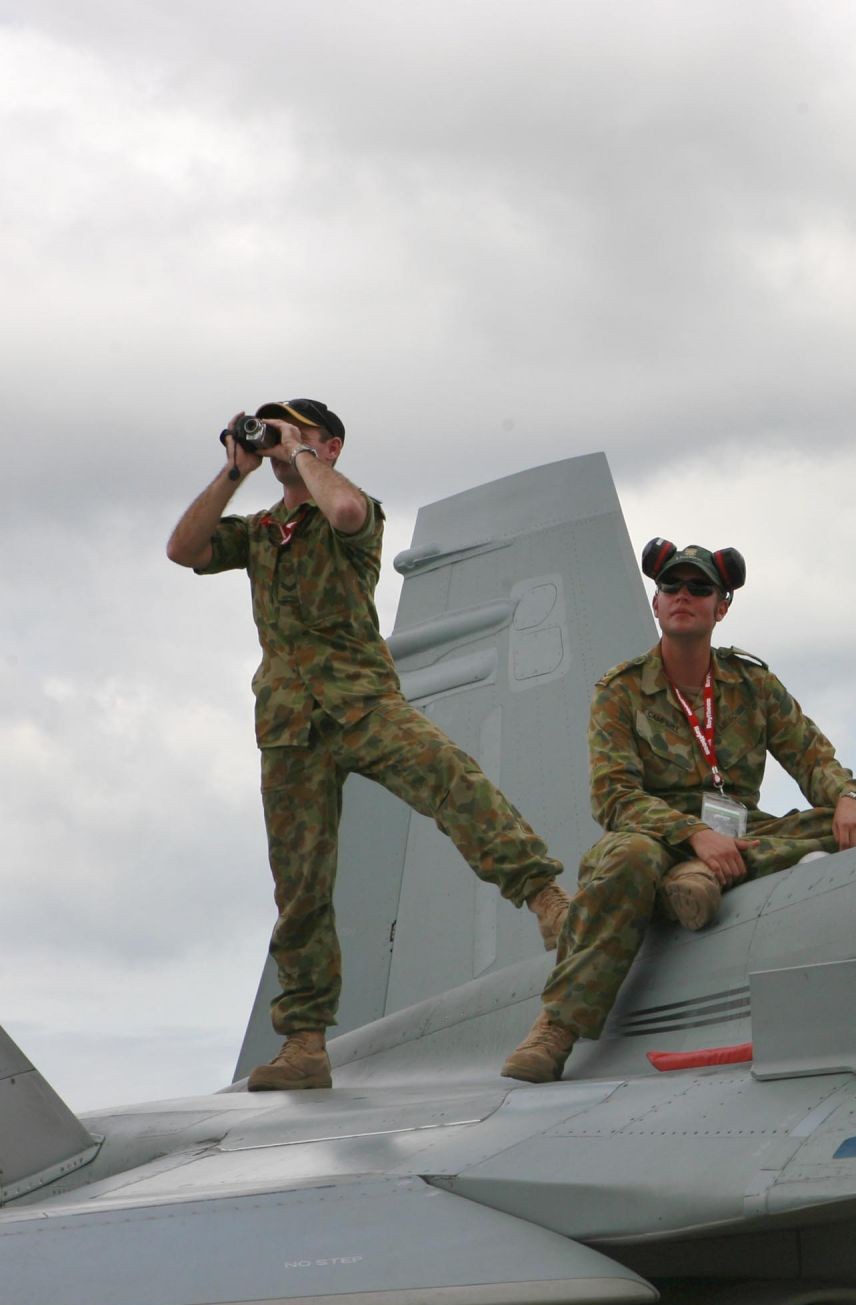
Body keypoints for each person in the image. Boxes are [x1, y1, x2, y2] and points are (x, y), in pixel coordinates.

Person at [166, 400, 572, 1090]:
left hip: (360, 701)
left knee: (451, 780)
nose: (276, 439)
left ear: (332, 444)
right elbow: (185, 548)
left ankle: (548, 902)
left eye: (291, 427)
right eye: (270, 429)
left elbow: (348, 515)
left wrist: (300, 456)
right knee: (300, 885)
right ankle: (304, 1044)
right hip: (290, 723)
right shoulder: (263, 531)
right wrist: (233, 470)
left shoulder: (350, 508)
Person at [502, 540, 856, 1082]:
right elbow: (613, 797)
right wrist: (692, 836)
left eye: (699, 588)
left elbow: (812, 758)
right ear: (657, 604)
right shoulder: (620, 692)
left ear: (721, 606)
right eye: (671, 587)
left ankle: (692, 881)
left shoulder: (752, 684)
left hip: (742, 834)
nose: (683, 596)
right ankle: (557, 1027)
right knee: (632, 859)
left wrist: (847, 795)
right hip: (650, 834)